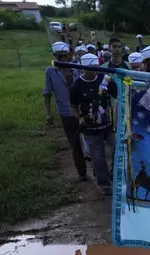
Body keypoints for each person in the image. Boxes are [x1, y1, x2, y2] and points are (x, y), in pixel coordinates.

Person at [70, 53, 118, 196]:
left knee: (118, 151)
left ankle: (116, 175)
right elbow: (72, 105)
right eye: (91, 68)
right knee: (98, 158)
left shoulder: (106, 79)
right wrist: (79, 117)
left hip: (109, 125)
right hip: (91, 129)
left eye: (96, 67)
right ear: (83, 68)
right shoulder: (77, 85)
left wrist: (116, 115)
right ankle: (104, 184)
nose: (95, 70)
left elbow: (119, 96)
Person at [44, 41, 88, 182]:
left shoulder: (76, 68)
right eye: (60, 56)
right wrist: (48, 114)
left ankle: (98, 170)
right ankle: (81, 172)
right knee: (74, 144)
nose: (63, 59)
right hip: (66, 113)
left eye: (66, 55)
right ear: (55, 56)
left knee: (93, 141)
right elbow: (47, 93)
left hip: (83, 111)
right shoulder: (50, 71)